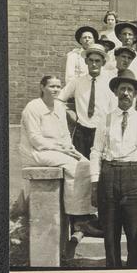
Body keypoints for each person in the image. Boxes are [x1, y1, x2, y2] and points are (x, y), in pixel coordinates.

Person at [20, 76, 97, 237]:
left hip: (56, 150)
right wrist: (61, 149)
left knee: (87, 163)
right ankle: (78, 220)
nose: (56, 90)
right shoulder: (33, 107)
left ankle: (86, 213)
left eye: (58, 87)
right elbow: (35, 139)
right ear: (42, 87)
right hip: (37, 153)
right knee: (75, 167)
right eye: (51, 86)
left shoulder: (59, 107)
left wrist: (70, 148)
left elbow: (64, 134)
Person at [90, 69, 137, 268]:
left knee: (134, 232)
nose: (126, 93)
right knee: (110, 232)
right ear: (116, 92)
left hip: (134, 176)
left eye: (130, 90)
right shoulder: (105, 120)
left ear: (135, 95)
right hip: (109, 175)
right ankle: (113, 272)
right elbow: (96, 152)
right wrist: (94, 182)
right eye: (122, 89)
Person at [58, 43, 116, 159]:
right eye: (91, 60)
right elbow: (58, 100)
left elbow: (114, 110)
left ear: (103, 63)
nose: (94, 64)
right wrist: (69, 113)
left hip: (101, 132)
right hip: (81, 131)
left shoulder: (110, 83)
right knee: (80, 167)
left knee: (98, 168)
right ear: (86, 62)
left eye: (97, 61)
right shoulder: (77, 82)